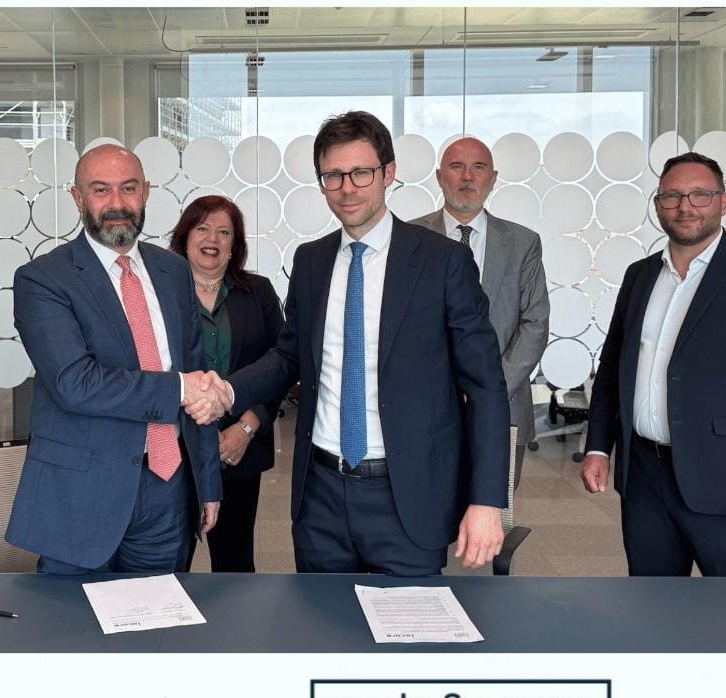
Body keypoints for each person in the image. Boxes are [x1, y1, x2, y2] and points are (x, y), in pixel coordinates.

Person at [193, 111, 509, 575]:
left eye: (361, 173)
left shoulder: (443, 262)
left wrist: (486, 500)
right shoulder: (311, 261)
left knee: (407, 621)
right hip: (320, 498)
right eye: (333, 175)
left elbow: (485, 386)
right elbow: (288, 355)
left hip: (407, 496)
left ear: (388, 173)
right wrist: (228, 390)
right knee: (323, 621)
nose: (347, 188)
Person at [6, 144, 223, 574]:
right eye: (100, 190)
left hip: (168, 489)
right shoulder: (43, 279)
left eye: (129, 188)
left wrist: (207, 483)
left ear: (146, 192)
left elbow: (197, 375)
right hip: (80, 494)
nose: (117, 203)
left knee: (160, 613)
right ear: (77, 198)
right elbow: (76, 383)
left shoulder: (174, 271)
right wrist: (181, 388)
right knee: (70, 617)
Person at [581, 151, 726, 576]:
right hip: (644, 479)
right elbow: (613, 369)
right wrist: (599, 446)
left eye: (700, 195)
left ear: (724, 202)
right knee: (652, 606)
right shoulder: (639, 276)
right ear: (658, 205)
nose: (685, 206)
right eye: (672, 196)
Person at [409, 136, 549, 487]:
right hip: (421, 407)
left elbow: (534, 323)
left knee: (494, 513)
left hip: (502, 405)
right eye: (457, 167)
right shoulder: (407, 238)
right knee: (422, 511)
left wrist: (488, 388)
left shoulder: (523, 243)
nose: (467, 176)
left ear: (493, 178)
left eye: (479, 167)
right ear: (439, 177)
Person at [169, 195, 285, 572]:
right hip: (175, 452)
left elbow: (282, 365)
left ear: (235, 244)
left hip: (238, 449)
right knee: (169, 562)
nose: (212, 239)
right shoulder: (161, 295)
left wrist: (247, 427)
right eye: (202, 228)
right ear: (185, 237)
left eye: (224, 232)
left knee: (235, 567)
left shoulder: (259, 292)